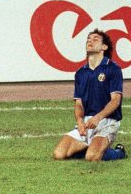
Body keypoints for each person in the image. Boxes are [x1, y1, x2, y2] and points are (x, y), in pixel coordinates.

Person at [52, 28, 126, 162]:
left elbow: (115, 101)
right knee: (59, 154)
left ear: (104, 47)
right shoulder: (81, 73)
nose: (90, 41)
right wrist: (80, 122)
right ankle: (92, 146)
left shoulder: (113, 69)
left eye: (95, 39)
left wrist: (98, 118)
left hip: (107, 121)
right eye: (88, 39)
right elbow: (79, 104)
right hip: (86, 122)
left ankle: (119, 152)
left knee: (92, 157)